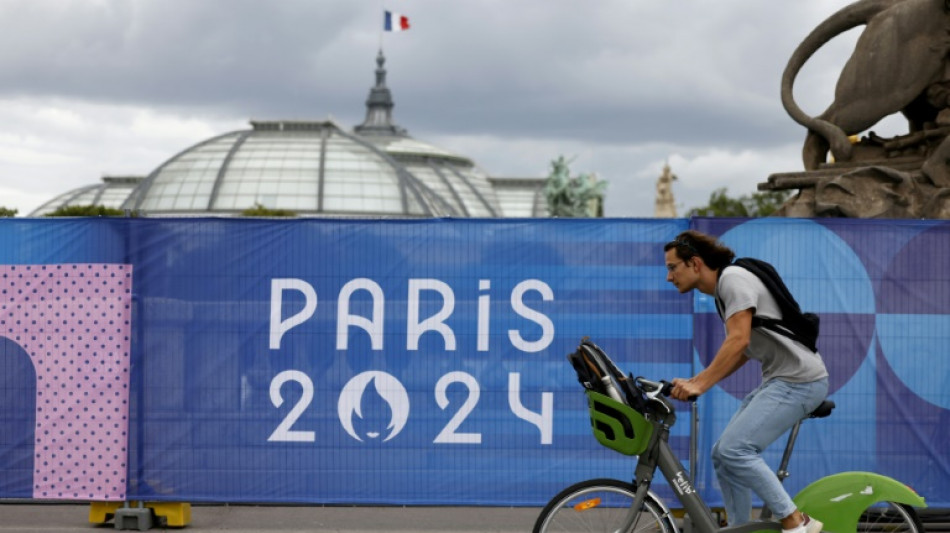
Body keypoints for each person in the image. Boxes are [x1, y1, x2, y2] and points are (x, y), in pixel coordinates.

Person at [663, 230, 828, 533]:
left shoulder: (733, 280)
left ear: (695, 263)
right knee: (722, 456)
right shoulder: (724, 291)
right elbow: (743, 348)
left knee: (735, 450)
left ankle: (796, 521)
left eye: (673, 267)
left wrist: (700, 385)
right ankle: (740, 529)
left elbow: (738, 341)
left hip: (799, 381)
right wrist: (696, 380)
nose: (669, 277)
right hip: (784, 380)